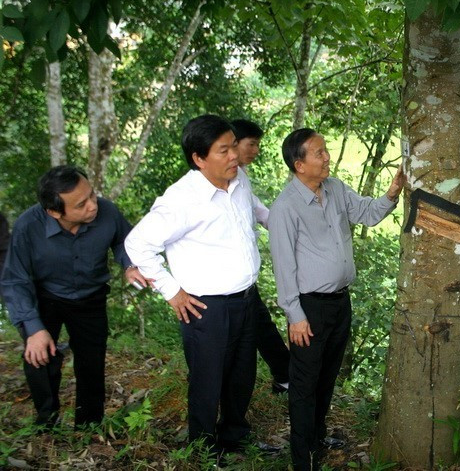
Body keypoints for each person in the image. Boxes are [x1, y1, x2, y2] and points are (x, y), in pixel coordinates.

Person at [124, 115, 268, 453]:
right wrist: (171, 291)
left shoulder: (239, 180)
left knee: (242, 375)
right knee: (207, 380)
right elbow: (137, 244)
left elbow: (260, 212)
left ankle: (234, 439)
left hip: (245, 298)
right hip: (207, 307)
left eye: (234, 146)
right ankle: (203, 449)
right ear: (199, 159)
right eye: (224, 150)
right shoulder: (181, 200)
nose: (234, 155)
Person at [268, 128, 403, 471]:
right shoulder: (285, 207)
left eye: (326, 150)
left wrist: (392, 192)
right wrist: (295, 315)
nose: (327, 157)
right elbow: (283, 265)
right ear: (299, 164)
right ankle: (304, 460)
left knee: (327, 377)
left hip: (340, 303)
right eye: (319, 153)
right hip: (308, 309)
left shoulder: (336, 188)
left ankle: (316, 440)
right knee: (304, 384)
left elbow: (368, 214)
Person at [0, 166, 147, 428]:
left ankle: (88, 425)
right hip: (46, 296)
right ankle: (47, 421)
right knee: (40, 356)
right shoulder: (28, 226)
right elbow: (15, 279)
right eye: (81, 204)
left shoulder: (107, 211)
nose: (92, 205)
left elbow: (125, 241)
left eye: (92, 195)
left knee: (91, 362)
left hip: (91, 297)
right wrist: (33, 329)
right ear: (54, 212)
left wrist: (129, 265)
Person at [231, 118, 291, 394]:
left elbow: (258, 210)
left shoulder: (241, 176)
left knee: (260, 324)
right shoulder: (219, 178)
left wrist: (289, 229)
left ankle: (284, 375)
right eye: (251, 144)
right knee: (255, 327)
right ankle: (284, 374)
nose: (256, 151)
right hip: (223, 281)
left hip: (243, 276)